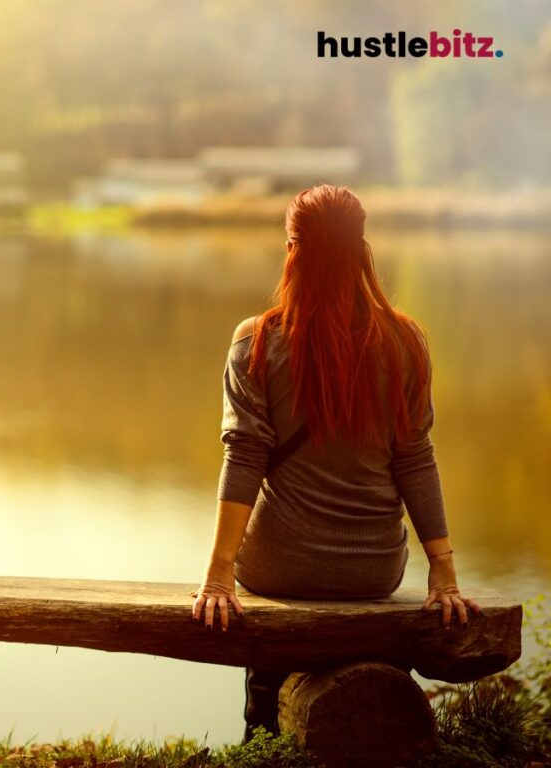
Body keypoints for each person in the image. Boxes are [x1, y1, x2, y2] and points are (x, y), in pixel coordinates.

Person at [188, 184, 482, 744]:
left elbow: (245, 455)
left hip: (279, 567)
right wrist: (442, 572)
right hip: (373, 571)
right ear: (362, 249)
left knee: (266, 635)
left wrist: (219, 574)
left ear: (293, 251)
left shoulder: (256, 341)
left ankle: (264, 728)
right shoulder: (405, 342)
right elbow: (416, 460)